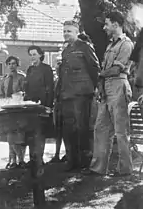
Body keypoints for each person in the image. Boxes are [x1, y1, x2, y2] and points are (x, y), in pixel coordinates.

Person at [89, 11, 133, 177]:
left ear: (116, 24)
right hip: (106, 87)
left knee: (121, 131)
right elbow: (106, 69)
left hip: (118, 86)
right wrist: (100, 85)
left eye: (107, 24)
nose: (104, 27)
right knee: (100, 128)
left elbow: (116, 69)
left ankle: (125, 169)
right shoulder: (110, 45)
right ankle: (98, 168)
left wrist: (100, 75)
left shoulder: (126, 44)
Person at [57, 20, 100, 171]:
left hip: (82, 93)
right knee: (69, 129)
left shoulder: (85, 47)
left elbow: (94, 68)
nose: (66, 34)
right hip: (67, 94)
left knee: (82, 127)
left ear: (76, 32)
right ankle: (72, 160)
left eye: (69, 31)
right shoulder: (65, 50)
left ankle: (85, 161)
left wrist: (95, 88)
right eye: (64, 31)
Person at [24, 45, 54, 168]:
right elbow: (27, 87)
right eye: (30, 55)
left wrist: (48, 105)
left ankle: (39, 159)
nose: (32, 57)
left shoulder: (46, 69)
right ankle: (32, 158)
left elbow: (50, 88)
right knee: (31, 133)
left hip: (42, 105)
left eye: (34, 54)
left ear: (41, 55)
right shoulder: (30, 70)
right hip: (30, 105)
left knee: (40, 133)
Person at [0, 56, 26, 169]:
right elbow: (2, 93)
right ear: (7, 65)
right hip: (8, 110)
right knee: (10, 135)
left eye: (14, 63)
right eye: (9, 64)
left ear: (17, 65)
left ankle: (20, 160)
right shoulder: (5, 78)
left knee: (19, 136)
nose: (12, 66)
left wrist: (20, 94)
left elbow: (25, 92)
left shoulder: (22, 77)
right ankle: (14, 161)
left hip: (19, 109)